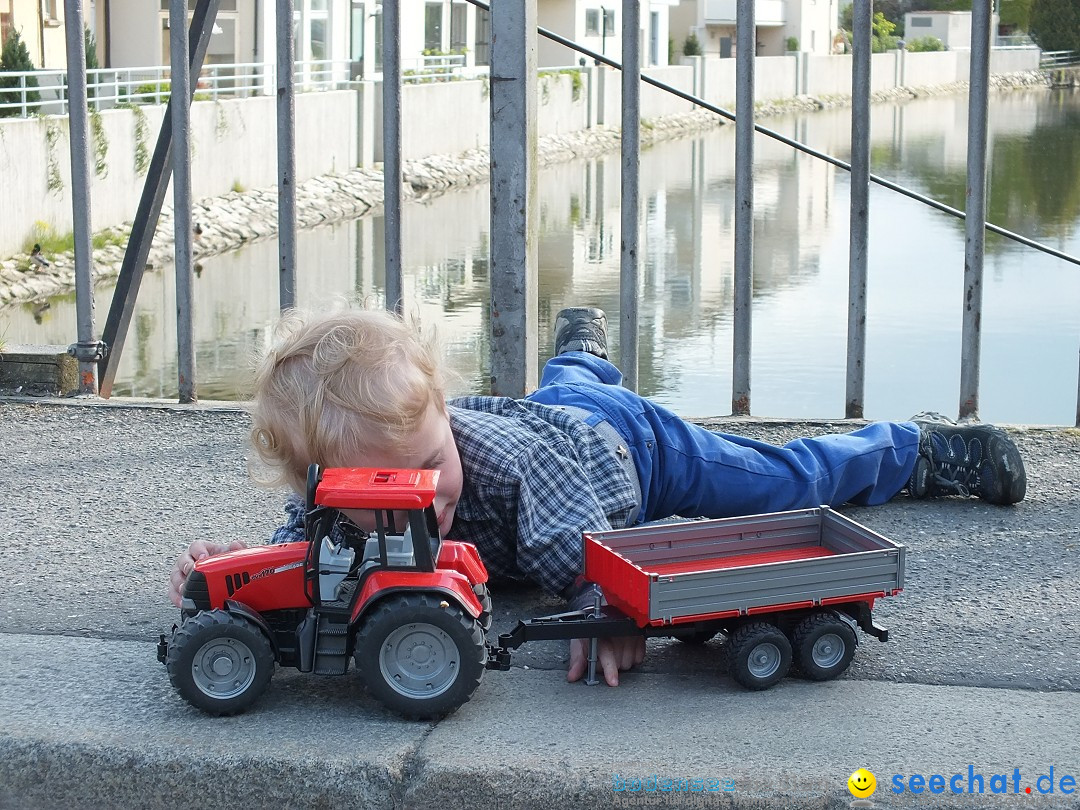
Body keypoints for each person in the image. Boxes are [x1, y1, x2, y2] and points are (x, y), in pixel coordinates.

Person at [168, 305, 1027, 686]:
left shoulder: (508, 471)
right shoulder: (332, 502)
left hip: (625, 450)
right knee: (565, 388)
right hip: (552, 414)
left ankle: (919, 453)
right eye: (381, 495)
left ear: (445, 416)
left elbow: (593, 560)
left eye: (433, 462)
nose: (424, 499)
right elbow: (297, 552)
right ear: (326, 487)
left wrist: (604, 609)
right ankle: (578, 350)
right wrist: (227, 576)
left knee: (779, 478)